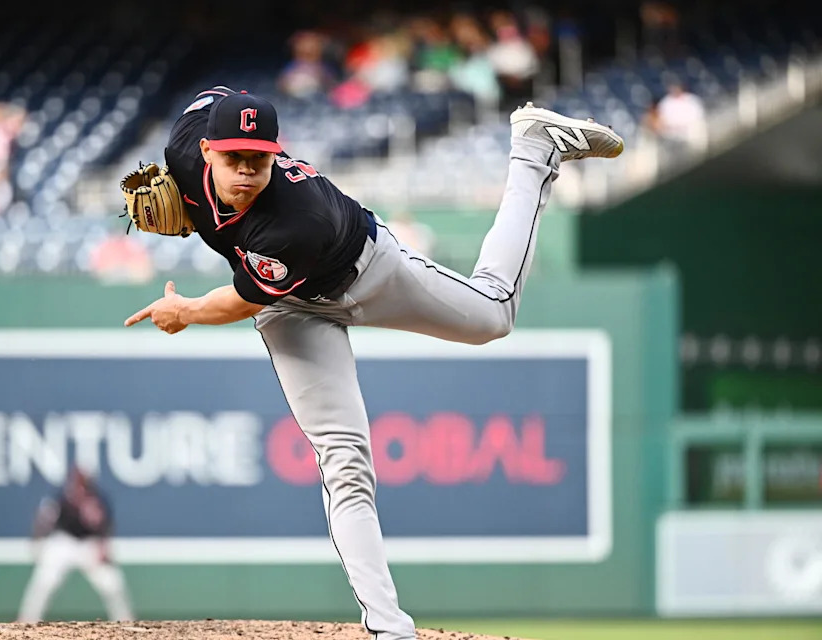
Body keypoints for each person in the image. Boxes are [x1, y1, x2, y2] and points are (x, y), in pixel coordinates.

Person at [122, 87, 623, 640]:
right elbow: (209, 97)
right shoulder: (182, 147)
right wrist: (197, 203)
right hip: (293, 312)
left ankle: (534, 148)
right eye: (233, 157)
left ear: (276, 155)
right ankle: (389, 626)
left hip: (365, 270)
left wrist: (185, 310)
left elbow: (241, 302)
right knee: (344, 456)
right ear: (207, 151)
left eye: (258, 160)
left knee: (493, 316)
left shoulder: (293, 220)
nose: (245, 172)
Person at [17, 468, 133, 623]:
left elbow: (106, 525)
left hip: (89, 543)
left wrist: (103, 547)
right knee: (45, 580)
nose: (80, 485)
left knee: (112, 582)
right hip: (64, 542)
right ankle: (27, 620)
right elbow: (45, 519)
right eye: (78, 480)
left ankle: (125, 620)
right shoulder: (63, 497)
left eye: (83, 481)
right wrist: (38, 540)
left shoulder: (98, 499)